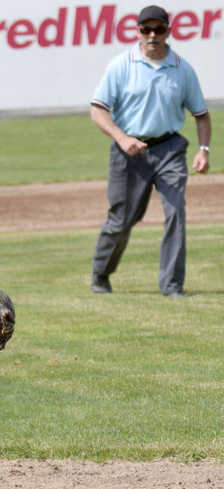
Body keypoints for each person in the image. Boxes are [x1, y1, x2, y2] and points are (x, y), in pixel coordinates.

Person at [89, 5, 211, 297]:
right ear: (138, 31)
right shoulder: (121, 65)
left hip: (169, 148)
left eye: (159, 29)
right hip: (129, 151)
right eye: (147, 29)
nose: (152, 35)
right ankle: (100, 274)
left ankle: (172, 285)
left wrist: (204, 149)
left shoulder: (183, 69)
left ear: (169, 31)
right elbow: (97, 110)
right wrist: (121, 137)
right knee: (122, 218)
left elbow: (201, 114)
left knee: (175, 212)